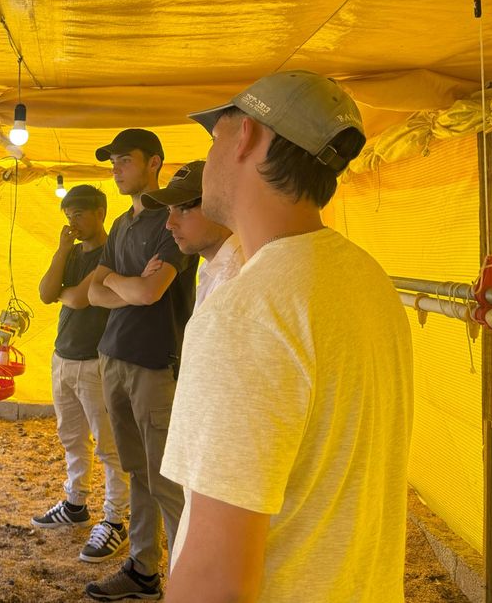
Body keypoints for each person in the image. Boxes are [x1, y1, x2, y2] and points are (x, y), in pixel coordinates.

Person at [162, 70, 413, 602]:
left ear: (247, 135)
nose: (208, 158)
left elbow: (213, 582)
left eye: (215, 137)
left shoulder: (246, 314)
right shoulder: (367, 279)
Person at [84, 129, 198, 601]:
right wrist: (119, 281)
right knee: (138, 470)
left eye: (124, 160)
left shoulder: (172, 221)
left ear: (154, 163)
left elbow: (152, 293)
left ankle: (188, 582)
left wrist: (117, 284)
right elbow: (93, 293)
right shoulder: (121, 227)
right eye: (112, 161)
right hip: (114, 355)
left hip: (154, 362)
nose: (116, 167)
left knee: (166, 479)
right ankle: (144, 569)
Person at [33, 184, 131, 563]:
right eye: (68, 215)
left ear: (100, 212)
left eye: (79, 214)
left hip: (96, 361)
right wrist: (60, 250)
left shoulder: (112, 254)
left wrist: (65, 291)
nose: (72, 222)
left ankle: (115, 519)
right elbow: (45, 293)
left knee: (108, 445)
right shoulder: (71, 253)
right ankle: (76, 503)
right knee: (71, 436)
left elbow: (77, 298)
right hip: (63, 357)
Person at [140, 160, 242, 309]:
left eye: (183, 209)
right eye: (169, 210)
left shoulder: (235, 276)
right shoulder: (212, 268)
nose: (169, 224)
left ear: (221, 205)